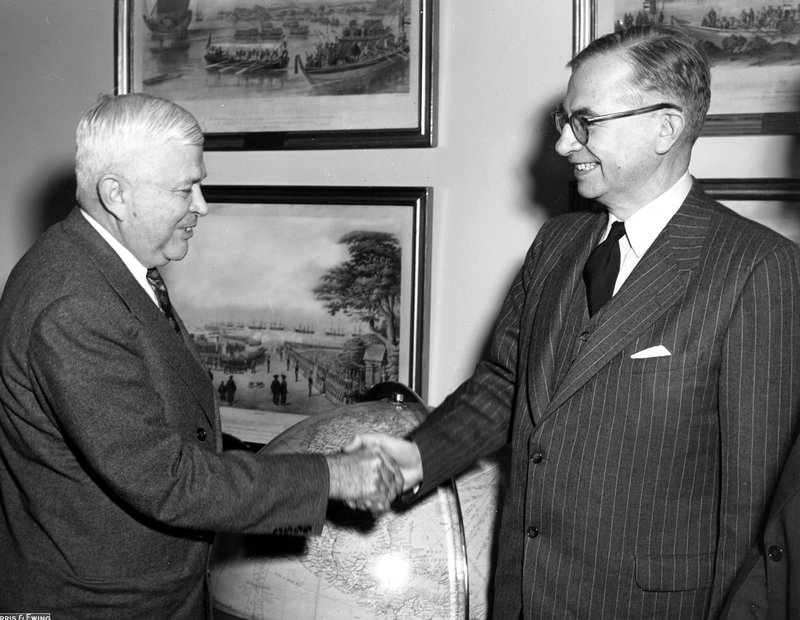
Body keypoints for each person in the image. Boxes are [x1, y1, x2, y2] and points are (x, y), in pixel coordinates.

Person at [349, 25, 800, 620]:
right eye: (562, 122)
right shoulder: (557, 243)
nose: (564, 144)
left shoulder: (756, 266)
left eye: (585, 123)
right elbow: (505, 388)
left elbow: (759, 497)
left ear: (665, 127)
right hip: (523, 596)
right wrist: (417, 457)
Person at [0, 93, 403, 619]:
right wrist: (334, 476)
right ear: (116, 194)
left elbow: (174, 424)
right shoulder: (74, 304)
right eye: (184, 188)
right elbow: (166, 479)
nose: (202, 205)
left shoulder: (110, 266)